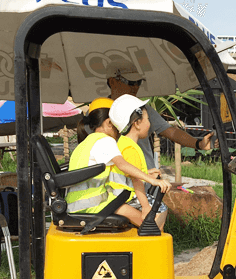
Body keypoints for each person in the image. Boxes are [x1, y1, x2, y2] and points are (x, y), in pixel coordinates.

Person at [65, 97, 171, 227]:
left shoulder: (86, 143)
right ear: (109, 123)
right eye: (117, 126)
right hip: (93, 204)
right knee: (151, 224)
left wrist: (145, 173)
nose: (120, 131)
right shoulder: (105, 140)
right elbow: (122, 165)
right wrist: (152, 181)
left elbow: (114, 171)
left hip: (77, 203)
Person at [106, 60, 215, 173]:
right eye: (131, 82)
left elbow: (171, 132)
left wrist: (199, 144)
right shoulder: (99, 113)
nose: (136, 87)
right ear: (113, 81)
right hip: (118, 183)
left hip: (146, 179)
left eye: (138, 82)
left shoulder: (143, 109)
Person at [108, 94, 168, 230]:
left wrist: (146, 173)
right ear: (137, 123)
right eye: (147, 119)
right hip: (126, 195)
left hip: (118, 193)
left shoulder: (122, 143)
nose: (150, 124)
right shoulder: (131, 148)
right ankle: (152, 237)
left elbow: (128, 172)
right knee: (161, 209)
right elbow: (136, 180)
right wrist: (145, 206)